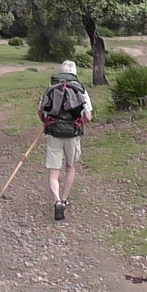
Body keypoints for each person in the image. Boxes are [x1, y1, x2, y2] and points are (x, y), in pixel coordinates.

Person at [37, 60, 93, 221]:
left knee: (54, 171)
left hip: (54, 133)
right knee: (70, 166)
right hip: (72, 134)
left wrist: (46, 123)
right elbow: (88, 116)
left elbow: (40, 110)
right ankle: (64, 199)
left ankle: (57, 200)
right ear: (74, 73)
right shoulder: (81, 89)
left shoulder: (51, 88)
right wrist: (79, 124)